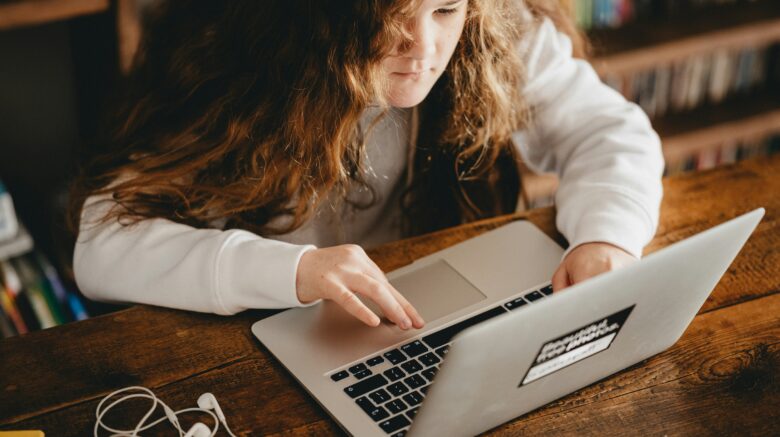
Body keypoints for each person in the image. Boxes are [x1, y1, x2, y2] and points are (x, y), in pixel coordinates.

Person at [69, 0, 664, 332]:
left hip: (444, 314)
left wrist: (608, 238)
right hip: (274, 333)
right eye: (391, 10)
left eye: (445, 9)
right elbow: (102, 245)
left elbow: (609, 130)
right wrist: (295, 270)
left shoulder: (498, 27)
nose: (423, 47)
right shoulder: (237, 61)